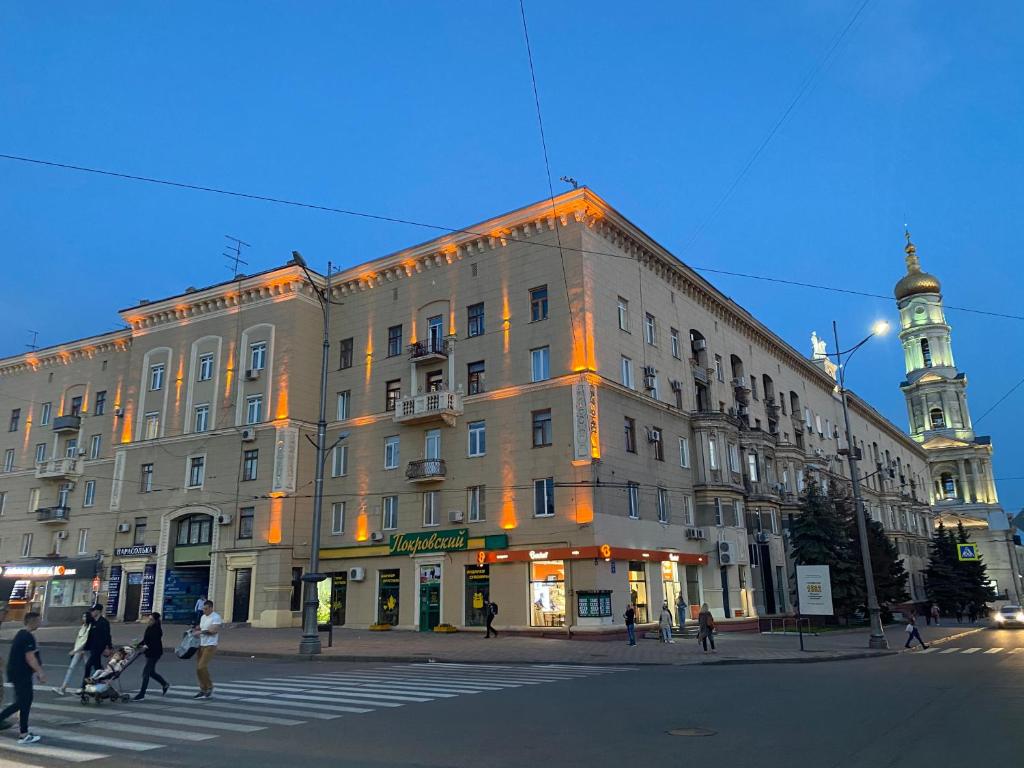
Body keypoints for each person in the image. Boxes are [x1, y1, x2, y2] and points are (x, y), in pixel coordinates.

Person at [0, 612, 46, 744]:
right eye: (38, 620)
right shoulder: (27, 636)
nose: (40, 623)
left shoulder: (21, 634)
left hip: (18, 673)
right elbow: (30, 657)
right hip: (21, 674)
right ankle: (23, 734)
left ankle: (23, 732)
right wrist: (40, 672)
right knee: (24, 702)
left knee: (23, 702)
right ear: (32, 621)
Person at [54, 611, 93, 695]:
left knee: (88, 670)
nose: (83, 619)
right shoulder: (83, 627)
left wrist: (76, 650)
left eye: (85, 617)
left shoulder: (90, 627)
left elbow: (85, 641)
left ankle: (86, 687)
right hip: (78, 650)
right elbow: (79, 640)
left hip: (85, 651)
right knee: (71, 668)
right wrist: (76, 649)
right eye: (83, 617)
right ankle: (63, 687)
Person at [133, 612, 169, 700]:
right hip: (149, 653)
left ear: (156, 621)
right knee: (151, 672)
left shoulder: (157, 630)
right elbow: (146, 639)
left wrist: (145, 646)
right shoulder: (149, 628)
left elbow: (153, 643)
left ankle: (142, 694)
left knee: (146, 673)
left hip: (154, 653)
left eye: (151, 619)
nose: (149, 621)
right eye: (149, 619)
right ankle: (165, 684)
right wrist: (138, 645)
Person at [192, 600, 222, 698]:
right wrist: (196, 629)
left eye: (205, 609)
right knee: (198, 669)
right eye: (203, 609)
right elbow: (202, 628)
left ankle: (209, 686)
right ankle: (202, 689)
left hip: (210, 645)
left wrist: (200, 632)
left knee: (201, 666)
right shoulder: (203, 617)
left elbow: (213, 631)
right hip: (201, 644)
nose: (204, 610)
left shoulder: (216, 617)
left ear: (211, 608)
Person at [82, 604, 112, 687]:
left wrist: (109, 647)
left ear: (98, 611)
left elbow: (107, 636)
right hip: (93, 647)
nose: (91, 612)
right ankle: (104, 683)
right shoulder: (92, 622)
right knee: (98, 668)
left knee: (88, 666)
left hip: (99, 648)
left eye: (93, 610)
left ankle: (84, 686)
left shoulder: (104, 622)